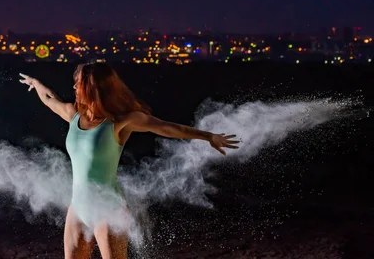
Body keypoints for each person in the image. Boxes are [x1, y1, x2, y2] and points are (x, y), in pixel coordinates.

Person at [19, 62, 239, 259]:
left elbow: (167, 127)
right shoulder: (73, 115)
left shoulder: (120, 123)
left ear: (92, 89)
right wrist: (36, 83)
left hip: (109, 209)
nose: (74, 88)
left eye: (78, 84)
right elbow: (50, 99)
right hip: (78, 208)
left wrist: (208, 136)